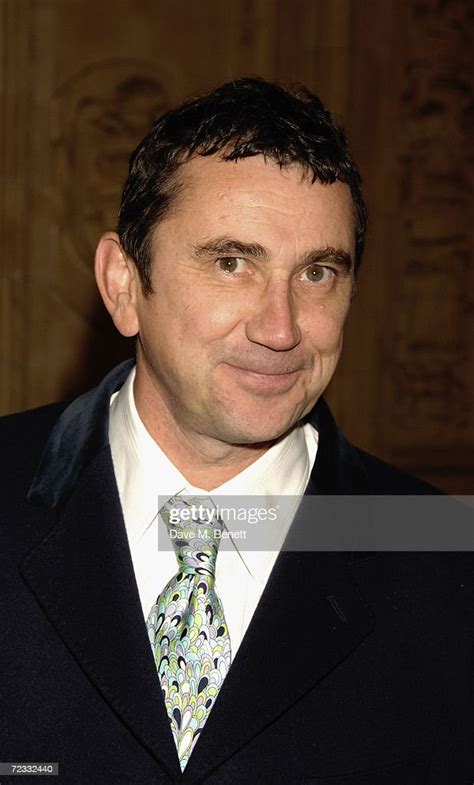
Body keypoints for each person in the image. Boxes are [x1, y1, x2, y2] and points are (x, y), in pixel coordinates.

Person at [1, 78, 472, 785]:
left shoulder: (444, 560)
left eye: (317, 273)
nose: (280, 328)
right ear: (124, 284)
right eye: (232, 263)